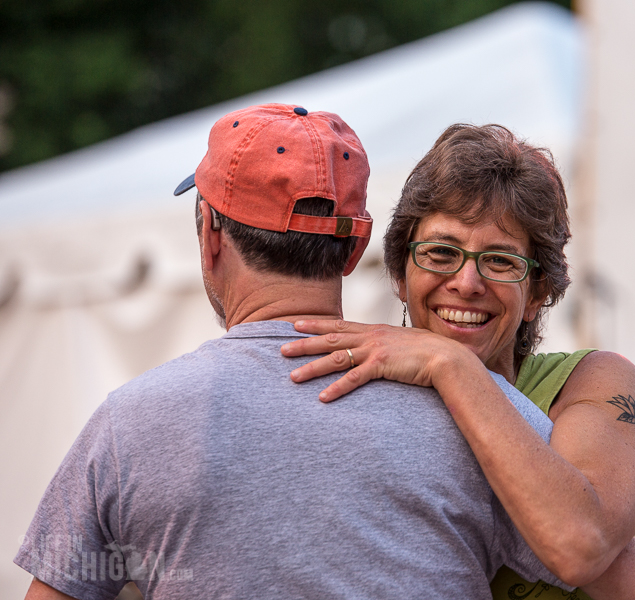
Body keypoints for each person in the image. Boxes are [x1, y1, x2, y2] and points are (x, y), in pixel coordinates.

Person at [13, 105, 576, 600]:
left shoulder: (128, 424)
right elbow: (599, 560)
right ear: (355, 248)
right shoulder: (488, 417)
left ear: (210, 235)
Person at [281, 123, 635, 599]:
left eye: (500, 261)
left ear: (537, 291)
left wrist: (450, 364)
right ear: (399, 273)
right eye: (440, 252)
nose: (467, 282)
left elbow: (581, 544)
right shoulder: (365, 400)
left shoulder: (590, 381)